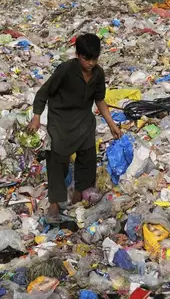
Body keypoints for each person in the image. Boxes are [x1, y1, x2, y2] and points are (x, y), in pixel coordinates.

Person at [27, 33, 122, 223]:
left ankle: (77, 199)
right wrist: (36, 117)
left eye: (94, 58)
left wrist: (111, 124)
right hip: (61, 122)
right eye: (87, 58)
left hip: (84, 122)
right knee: (57, 162)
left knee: (87, 160)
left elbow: (99, 99)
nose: (91, 63)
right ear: (78, 55)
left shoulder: (98, 73)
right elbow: (43, 93)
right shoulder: (65, 70)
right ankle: (54, 206)